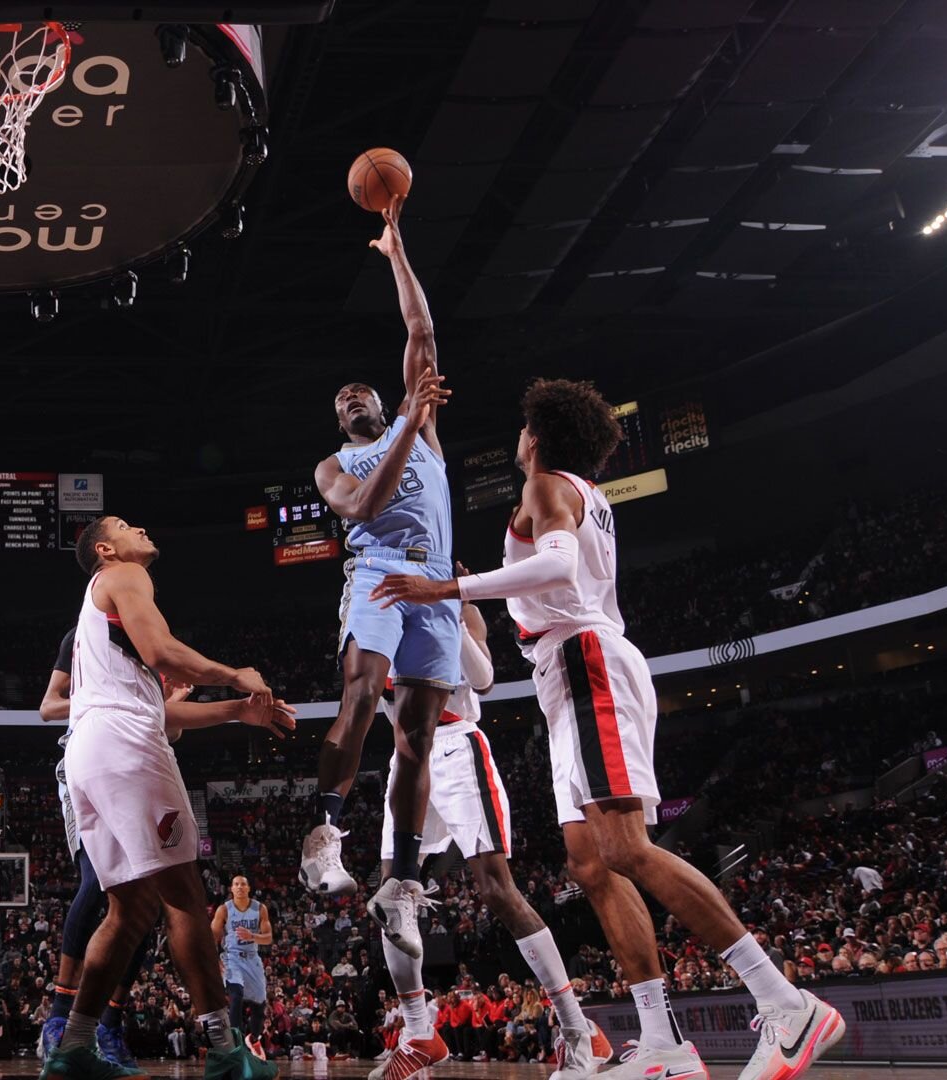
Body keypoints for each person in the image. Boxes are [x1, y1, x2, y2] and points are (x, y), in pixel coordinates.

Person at [371, 377, 845, 1080]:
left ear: (538, 437)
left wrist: (446, 589)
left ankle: (786, 1003)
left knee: (626, 848)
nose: (518, 439)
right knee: (589, 864)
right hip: (565, 672)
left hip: (585, 659)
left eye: (523, 428)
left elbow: (557, 564)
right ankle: (661, 1043)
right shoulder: (567, 491)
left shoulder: (546, 487)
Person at [46, 514, 293, 1080]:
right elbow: (161, 652)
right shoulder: (125, 575)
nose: (143, 530)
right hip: (124, 746)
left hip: (88, 753)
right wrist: (236, 676)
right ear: (106, 549)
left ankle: (73, 1048)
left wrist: (238, 712)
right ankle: (226, 1050)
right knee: (184, 895)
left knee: (129, 907)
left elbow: (159, 707)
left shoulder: (97, 622)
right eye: (127, 526)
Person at [298, 195, 456, 972]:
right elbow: (363, 507)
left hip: (439, 584)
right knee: (361, 694)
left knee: (418, 739)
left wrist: (396, 252)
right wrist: (407, 423)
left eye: (360, 392)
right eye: (340, 402)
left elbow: (420, 332)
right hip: (381, 575)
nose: (351, 399)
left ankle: (402, 880)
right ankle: (324, 831)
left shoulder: (417, 417)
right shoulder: (339, 464)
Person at [367, 600, 609, 1080]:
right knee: (390, 899)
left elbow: (482, 680)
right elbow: (372, 696)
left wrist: (446, 609)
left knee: (497, 890)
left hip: (457, 748)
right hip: (408, 757)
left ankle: (578, 1028)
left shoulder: (459, 605)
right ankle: (419, 1034)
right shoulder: (373, 612)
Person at [37, 626, 179, 1068]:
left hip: (137, 769)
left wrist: (167, 705)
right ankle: (59, 1018)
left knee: (145, 901)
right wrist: (105, 700)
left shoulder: (154, 645)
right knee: (97, 880)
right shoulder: (83, 637)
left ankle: (110, 1024)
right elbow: (48, 707)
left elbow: (169, 734)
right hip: (87, 763)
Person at [210, 876, 271, 1055]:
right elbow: (212, 936)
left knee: (259, 1005)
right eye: (236, 884)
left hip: (252, 958)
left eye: (243, 884)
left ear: (249, 888)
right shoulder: (224, 910)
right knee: (236, 994)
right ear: (231, 888)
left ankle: (254, 1039)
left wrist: (252, 936)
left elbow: (268, 937)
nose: (240, 887)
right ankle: (235, 1042)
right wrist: (215, 959)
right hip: (232, 958)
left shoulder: (260, 908)